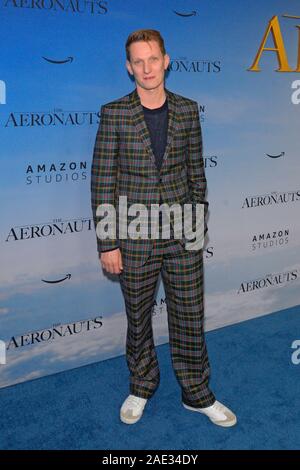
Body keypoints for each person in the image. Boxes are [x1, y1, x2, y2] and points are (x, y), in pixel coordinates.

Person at [91, 29, 237, 427]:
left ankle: (197, 393)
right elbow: (103, 179)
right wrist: (108, 242)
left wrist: (197, 223)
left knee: (190, 315)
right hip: (133, 236)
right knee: (138, 319)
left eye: (152, 59)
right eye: (138, 61)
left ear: (166, 60)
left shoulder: (188, 110)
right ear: (128, 67)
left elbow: (196, 172)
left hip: (181, 233)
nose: (146, 68)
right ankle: (141, 386)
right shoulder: (114, 113)